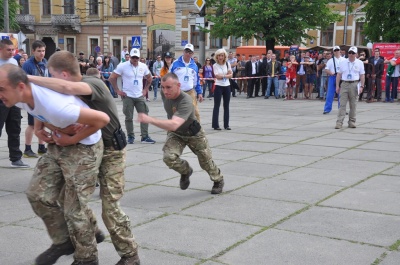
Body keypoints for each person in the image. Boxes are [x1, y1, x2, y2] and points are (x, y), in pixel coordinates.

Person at [28, 50, 141, 265]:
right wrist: (39, 126)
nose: (50, 79)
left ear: (62, 74)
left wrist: (26, 77)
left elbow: (67, 87)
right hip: (84, 150)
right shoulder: (63, 89)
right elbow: (43, 103)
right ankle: (92, 234)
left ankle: (130, 256)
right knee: (70, 200)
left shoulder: (93, 83)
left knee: (110, 208)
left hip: (111, 153)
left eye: (52, 75)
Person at [0, 64, 110, 265]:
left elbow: (102, 119)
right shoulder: (18, 98)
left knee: (74, 207)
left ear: (21, 87)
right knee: (37, 194)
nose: (0, 95)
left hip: (85, 146)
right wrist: (41, 128)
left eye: (1, 89)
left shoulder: (57, 107)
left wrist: (71, 138)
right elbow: (36, 109)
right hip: (59, 143)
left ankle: (87, 259)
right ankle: (64, 241)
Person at [137, 73, 225, 194]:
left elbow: (174, 123)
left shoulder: (186, 100)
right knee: (169, 157)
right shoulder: (164, 94)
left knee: (205, 162)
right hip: (176, 134)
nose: (165, 90)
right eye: (162, 87)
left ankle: (218, 180)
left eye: (168, 87)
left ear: (178, 85)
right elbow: (174, 127)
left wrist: (150, 119)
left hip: (193, 133)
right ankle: (185, 171)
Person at [109, 48, 156, 144]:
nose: (135, 59)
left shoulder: (143, 66)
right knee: (128, 117)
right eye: (133, 57)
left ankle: (145, 137)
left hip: (139, 95)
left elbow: (149, 78)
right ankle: (130, 136)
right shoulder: (123, 66)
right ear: (129, 57)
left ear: (139, 58)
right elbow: (112, 77)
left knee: (144, 115)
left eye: (137, 58)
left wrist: (146, 89)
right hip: (128, 95)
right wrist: (117, 90)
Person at [0, 39, 29, 168]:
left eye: (13, 49)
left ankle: (16, 158)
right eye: (9, 50)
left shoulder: (13, 61)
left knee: (15, 128)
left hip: (14, 100)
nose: (12, 52)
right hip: (1, 100)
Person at [22, 40, 49, 158]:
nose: (42, 53)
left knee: (42, 123)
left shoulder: (45, 62)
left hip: (43, 97)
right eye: (39, 51)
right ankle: (27, 148)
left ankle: (41, 147)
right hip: (32, 98)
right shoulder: (28, 64)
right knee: (32, 125)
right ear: (33, 51)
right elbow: (23, 82)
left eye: (43, 51)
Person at [170, 43, 203, 122]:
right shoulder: (175, 63)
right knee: (175, 112)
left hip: (190, 92)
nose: (188, 54)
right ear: (183, 51)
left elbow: (196, 81)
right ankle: (174, 130)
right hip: (178, 92)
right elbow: (169, 77)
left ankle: (198, 131)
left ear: (193, 54)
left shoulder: (194, 66)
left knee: (195, 112)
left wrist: (199, 93)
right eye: (186, 51)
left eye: (190, 52)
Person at [335, 46, 365, 129]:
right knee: (342, 104)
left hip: (354, 83)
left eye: (353, 53)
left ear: (356, 54)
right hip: (344, 83)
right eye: (350, 53)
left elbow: (362, 75)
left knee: (353, 104)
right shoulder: (343, 62)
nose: (351, 54)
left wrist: (362, 86)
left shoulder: (359, 63)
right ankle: (339, 122)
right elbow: (339, 75)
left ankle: (352, 121)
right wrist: (337, 86)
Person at [212, 49, 232, 130]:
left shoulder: (227, 64)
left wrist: (223, 76)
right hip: (218, 86)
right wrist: (226, 75)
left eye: (222, 56)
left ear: (224, 57)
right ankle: (215, 125)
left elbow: (231, 75)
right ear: (217, 57)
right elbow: (217, 76)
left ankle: (226, 125)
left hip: (227, 86)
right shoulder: (215, 65)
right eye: (219, 56)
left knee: (226, 106)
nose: (220, 57)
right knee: (217, 105)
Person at [323, 46, 345, 114]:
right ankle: (327, 109)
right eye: (335, 50)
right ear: (333, 52)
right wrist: (330, 73)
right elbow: (326, 69)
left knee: (341, 95)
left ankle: (342, 109)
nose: (336, 52)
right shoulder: (331, 60)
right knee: (330, 93)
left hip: (341, 77)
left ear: (340, 51)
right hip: (333, 77)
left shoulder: (344, 60)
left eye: (337, 50)